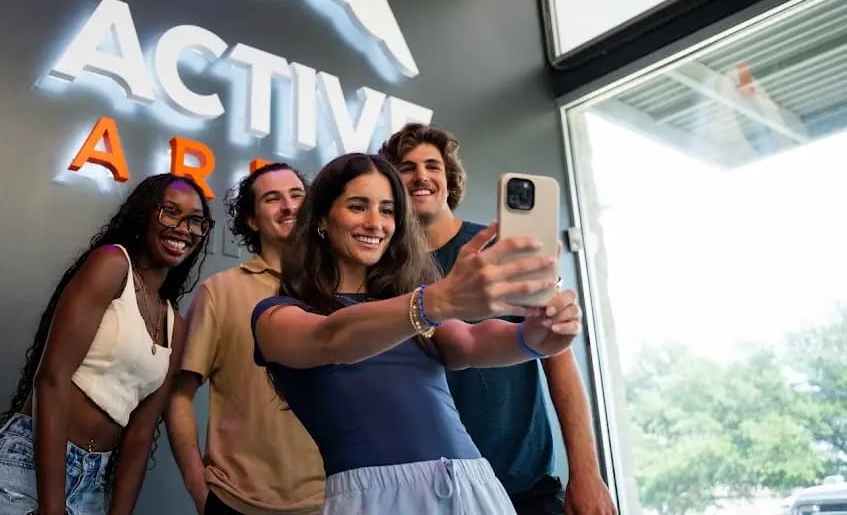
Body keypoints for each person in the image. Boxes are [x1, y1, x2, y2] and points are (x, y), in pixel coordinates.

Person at [251, 153, 582, 514]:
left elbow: (471, 342)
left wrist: (534, 338)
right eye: (358, 206)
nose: (376, 223)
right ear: (321, 220)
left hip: (471, 486)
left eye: (388, 210)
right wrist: (434, 302)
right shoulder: (276, 316)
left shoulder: (413, 307)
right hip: (376, 501)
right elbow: (331, 338)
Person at [379, 123, 617, 515]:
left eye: (432, 166)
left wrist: (587, 473)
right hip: (433, 492)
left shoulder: (500, 251)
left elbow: (558, 359)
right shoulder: (384, 272)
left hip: (524, 485)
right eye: (407, 167)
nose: (421, 175)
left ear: (448, 179)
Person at [0, 173, 213, 515]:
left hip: (91, 485)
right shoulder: (112, 265)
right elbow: (52, 378)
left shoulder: (175, 326)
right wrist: (52, 506)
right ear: (145, 213)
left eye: (195, 221)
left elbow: (140, 436)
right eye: (171, 212)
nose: (183, 228)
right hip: (25, 469)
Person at [168, 163, 325, 515]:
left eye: (297, 195)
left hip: (334, 501)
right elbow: (179, 396)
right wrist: (199, 487)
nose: (289, 206)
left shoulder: (338, 289)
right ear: (252, 220)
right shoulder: (219, 292)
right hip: (237, 501)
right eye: (273, 198)